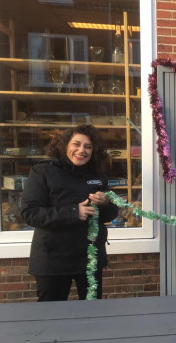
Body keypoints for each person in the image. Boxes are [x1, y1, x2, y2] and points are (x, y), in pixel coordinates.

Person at [21, 125, 119, 301]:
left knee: (91, 317)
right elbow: (30, 213)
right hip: (53, 259)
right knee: (52, 317)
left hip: (90, 258)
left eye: (88, 146)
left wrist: (106, 204)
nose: (81, 150)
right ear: (65, 145)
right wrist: (74, 212)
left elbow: (108, 216)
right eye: (76, 144)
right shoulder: (43, 171)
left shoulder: (97, 174)